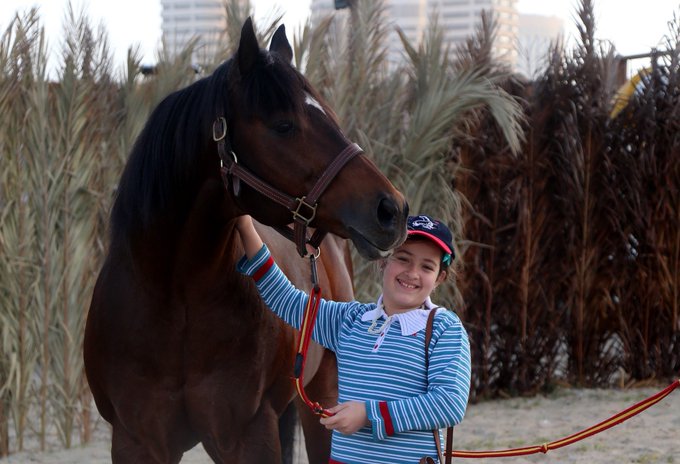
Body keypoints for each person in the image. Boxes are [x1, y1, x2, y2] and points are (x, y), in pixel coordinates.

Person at [235, 214, 471, 464]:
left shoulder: (445, 328)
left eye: (427, 267)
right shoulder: (350, 319)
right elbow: (286, 299)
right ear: (383, 261)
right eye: (403, 259)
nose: (412, 273)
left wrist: (368, 414)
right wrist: (245, 226)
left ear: (440, 278)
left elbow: (449, 403)